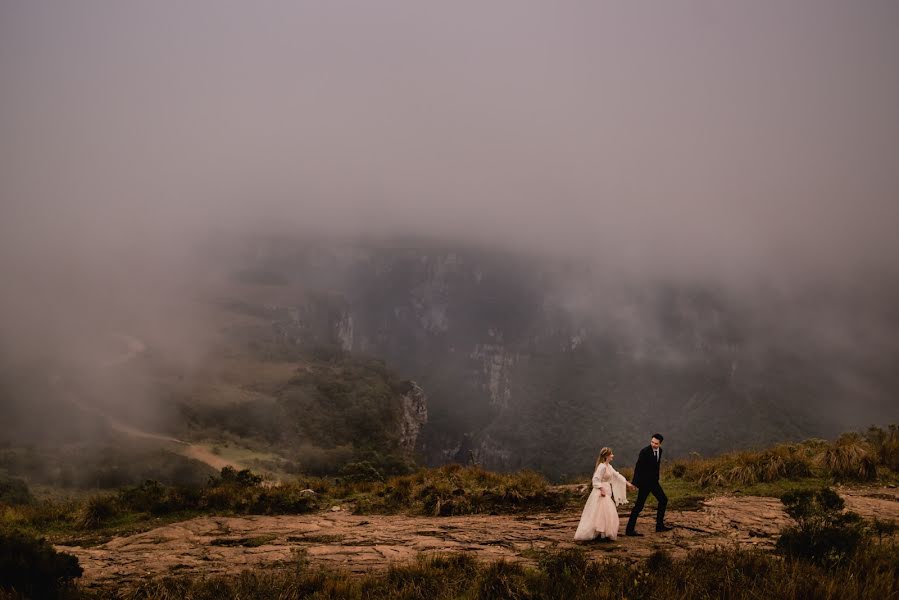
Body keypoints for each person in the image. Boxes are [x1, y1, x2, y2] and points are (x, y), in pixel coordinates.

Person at [574, 447, 636, 542]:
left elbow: (617, 475)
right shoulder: (602, 467)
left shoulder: (609, 466)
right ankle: (599, 533)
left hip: (607, 490)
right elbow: (595, 479)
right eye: (611, 454)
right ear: (607, 456)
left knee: (604, 513)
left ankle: (602, 533)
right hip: (601, 492)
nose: (612, 456)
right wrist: (601, 489)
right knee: (601, 512)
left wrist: (628, 484)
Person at [625, 433, 672, 536]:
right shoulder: (644, 452)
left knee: (663, 500)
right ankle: (629, 530)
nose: (653, 444)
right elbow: (638, 467)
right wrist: (635, 483)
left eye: (656, 443)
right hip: (644, 484)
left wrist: (657, 478)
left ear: (660, 444)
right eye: (652, 442)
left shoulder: (660, 451)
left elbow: (656, 466)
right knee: (639, 506)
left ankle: (659, 526)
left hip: (654, 483)